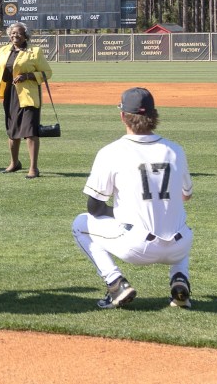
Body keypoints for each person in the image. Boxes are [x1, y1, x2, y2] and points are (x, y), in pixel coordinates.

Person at [72, 87, 194, 309]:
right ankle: (180, 278)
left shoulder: (111, 152)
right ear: (154, 115)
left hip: (137, 248)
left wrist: (122, 212)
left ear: (122, 116)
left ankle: (116, 284)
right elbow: (186, 196)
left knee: (80, 224)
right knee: (178, 220)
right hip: (179, 247)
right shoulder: (175, 150)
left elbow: (94, 208)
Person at [0, 22, 53, 179]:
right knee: (12, 132)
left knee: (30, 131)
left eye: (18, 33)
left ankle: (33, 168)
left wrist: (28, 76)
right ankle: (14, 163)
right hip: (10, 94)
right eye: (12, 33)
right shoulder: (3, 50)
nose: (15, 35)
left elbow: (47, 73)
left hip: (28, 95)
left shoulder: (34, 52)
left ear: (25, 35)